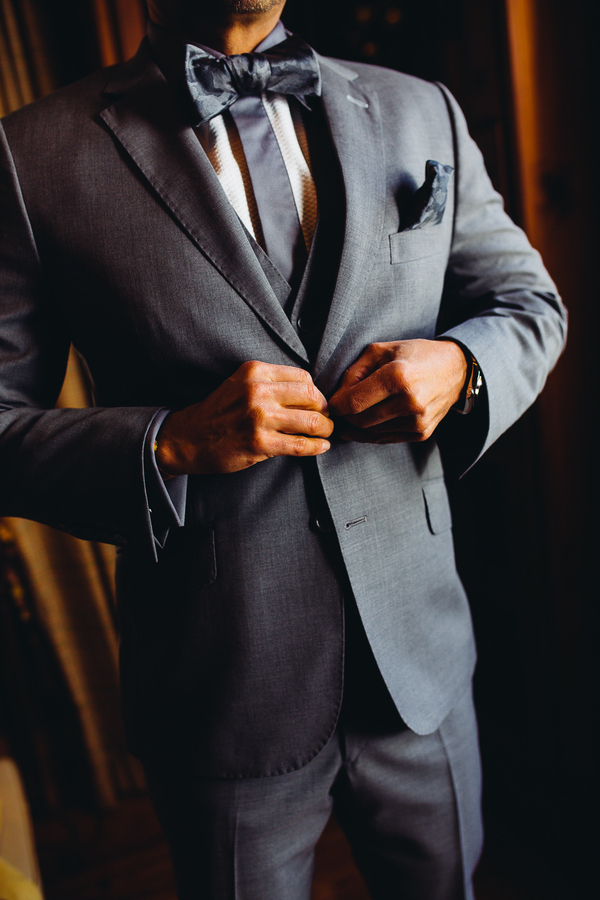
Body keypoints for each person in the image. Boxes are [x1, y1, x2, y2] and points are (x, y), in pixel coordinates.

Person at [0, 1, 566, 898]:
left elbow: (532, 308)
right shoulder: (30, 155)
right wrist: (171, 441)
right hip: (222, 685)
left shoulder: (424, 110)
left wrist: (462, 366)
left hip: (420, 668)